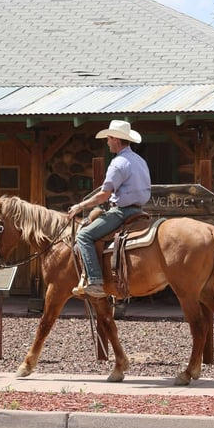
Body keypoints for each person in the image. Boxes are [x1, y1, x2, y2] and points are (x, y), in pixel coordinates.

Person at [68, 120, 151, 298]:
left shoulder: (118, 163)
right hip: (139, 211)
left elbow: (104, 195)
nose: (107, 142)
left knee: (84, 236)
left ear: (116, 140)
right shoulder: (140, 160)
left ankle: (96, 282)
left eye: (108, 138)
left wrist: (80, 206)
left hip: (122, 212)